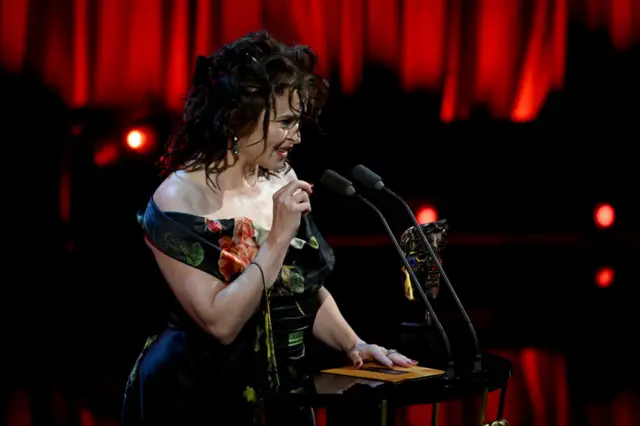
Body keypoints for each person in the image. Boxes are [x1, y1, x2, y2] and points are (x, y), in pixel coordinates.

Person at [121, 31, 416, 426]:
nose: (296, 136)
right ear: (239, 118)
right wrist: (276, 239)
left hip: (280, 392)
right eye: (286, 122)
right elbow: (221, 323)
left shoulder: (278, 178)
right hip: (198, 397)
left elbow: (302, 288)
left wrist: (355, 344)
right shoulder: (177, 199)